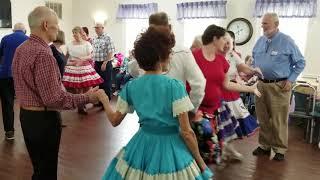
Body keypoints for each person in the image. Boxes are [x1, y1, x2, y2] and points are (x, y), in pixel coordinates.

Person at [97, 26, 213, 180]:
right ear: (160, 57)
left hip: (141, 145)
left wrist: (105, 100)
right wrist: (201, 164)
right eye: (169, 52)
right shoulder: (174, 87)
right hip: (171, 148)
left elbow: (115, 120)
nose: (171, 56)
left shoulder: (131, 86)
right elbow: (187, 132)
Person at [12, 6, 101, 179]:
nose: (59, 29)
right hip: (43, 121)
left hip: (26, 116)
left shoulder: (21, 49)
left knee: (39, 169)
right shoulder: (43, 54)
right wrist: (87, 97)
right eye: (56, 24)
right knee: (47, 172)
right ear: (46, 25)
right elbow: (54, 99)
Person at [192, 24, 261, 164]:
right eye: (224, 39)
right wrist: (192, 111)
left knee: (210, 151)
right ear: (215, 39)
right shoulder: (194, 56)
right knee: (198, 151)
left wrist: (251, 89)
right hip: (197, 111)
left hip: (215, 110)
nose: (227, 43)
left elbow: (226, 84)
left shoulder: (222, 60)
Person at [252, 12, 305, 161]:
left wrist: (291, 80)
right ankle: (264, 146)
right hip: (261, 85)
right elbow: (254, 60)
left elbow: (300, 62)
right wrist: (251, 70)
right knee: (262, 118)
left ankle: (280, 149)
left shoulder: (287, 41)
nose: (262, 26)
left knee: (278, 119)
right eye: (262, 23)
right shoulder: (260, 41)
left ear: (276, 25)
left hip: (279, 86)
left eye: (265, 24)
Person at [148, 12, 206, 113]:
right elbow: (199, 83)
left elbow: (134, 72)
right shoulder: (183, 52)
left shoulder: (143, 52)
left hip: (149, 113)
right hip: (175, 112)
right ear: (169, 28)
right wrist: (191, 111)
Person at [62, 26, 104, 114]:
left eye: (75, 33)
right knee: (76, 88)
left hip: (84, 67)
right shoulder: (70, 44)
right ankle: (80, 106)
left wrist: (82, 59)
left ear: (81, 33)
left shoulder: (87, 44)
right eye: (73, 33)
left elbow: (91, 55)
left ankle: (82, 104)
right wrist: (64, 63)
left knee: (85, 87)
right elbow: (66, 55)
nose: (74, 35)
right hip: (72, 66)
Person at [0, 22, 28, 140]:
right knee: (27, 102)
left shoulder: (5, 38)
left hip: (5, 74)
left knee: (7, 103)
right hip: (22, 75)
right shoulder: (28, 39)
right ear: (24, 30)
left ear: (13, 30)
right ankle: (28, 130)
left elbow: (0, 55)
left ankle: (9, 132)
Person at [92, 22, 115, 102]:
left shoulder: (107, 37)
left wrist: (105, 63)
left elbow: (111, 52)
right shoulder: (94, 38)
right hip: (97, 63)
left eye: (98, 27)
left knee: (106, 83)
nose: (96, 29)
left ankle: (106, 101)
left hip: (105, 63)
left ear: (102, 28)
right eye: (95, 28)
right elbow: (93, 51)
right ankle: (100, 100)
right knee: (98, 83)